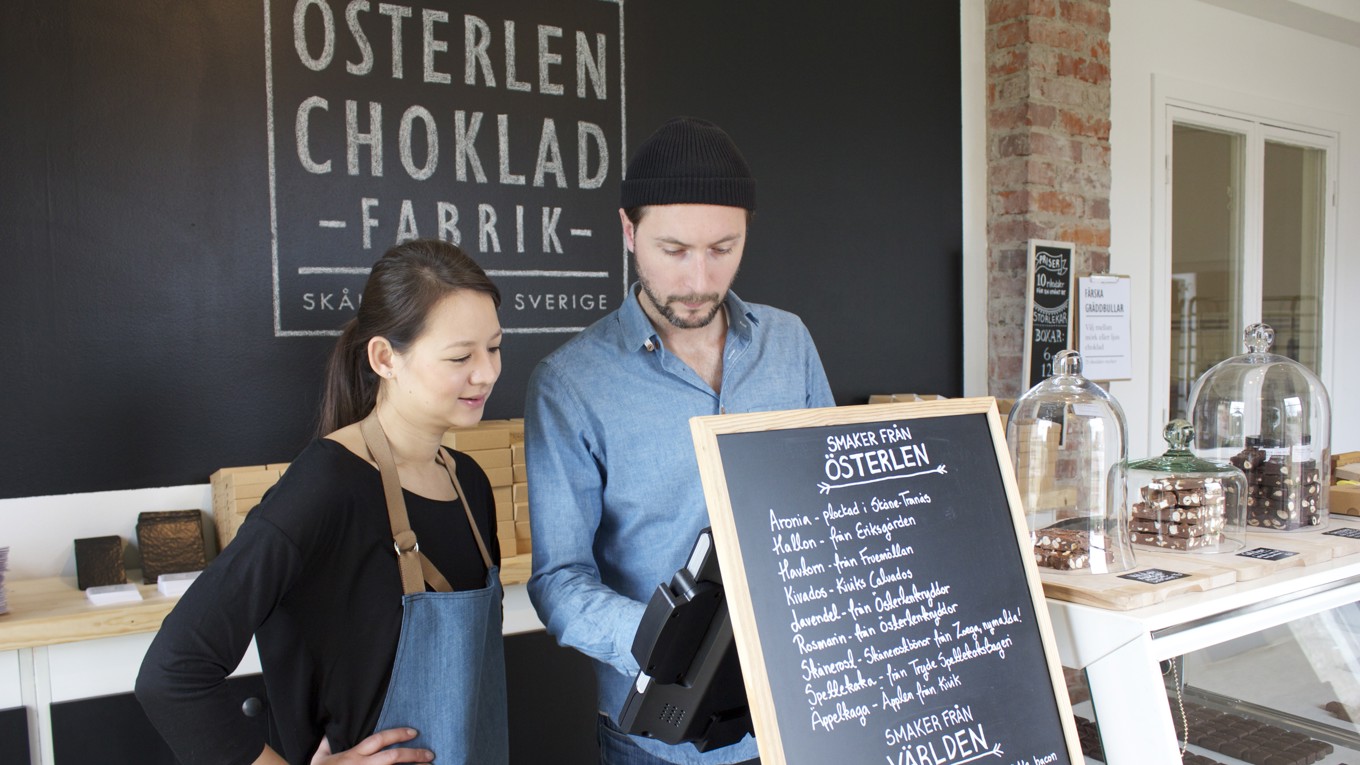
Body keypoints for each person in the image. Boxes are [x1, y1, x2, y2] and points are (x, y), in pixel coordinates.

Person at [524, 117, 835, 765]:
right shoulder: (570, 382)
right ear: (629, 232)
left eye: (723, 248)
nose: (699, 279)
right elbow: (559, 579)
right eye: (675, 250)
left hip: (792, 715)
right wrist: (674, 643)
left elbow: (831, 502)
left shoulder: (790, 343)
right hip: (654, 742)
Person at [136, 239, 508, 765]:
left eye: (493, 347)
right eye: (460, 356)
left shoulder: (468, 483)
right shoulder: (326, 485)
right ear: (385, 358)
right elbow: (172, 674)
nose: (487, 373)